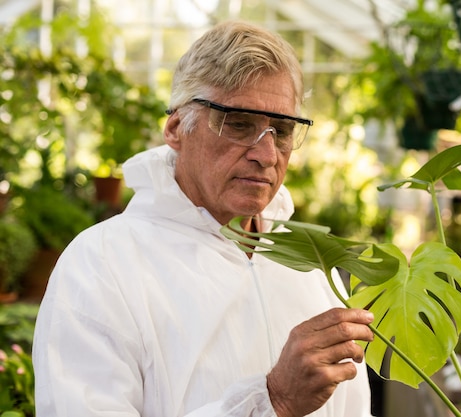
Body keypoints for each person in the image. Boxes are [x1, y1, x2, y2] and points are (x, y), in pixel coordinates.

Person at [32, 20, 376, 417]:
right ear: (177, 128)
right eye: (239, 124)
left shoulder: (307, 266)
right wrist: (272, 401)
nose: (266, 155)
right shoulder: (101, 266)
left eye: (281, 130)